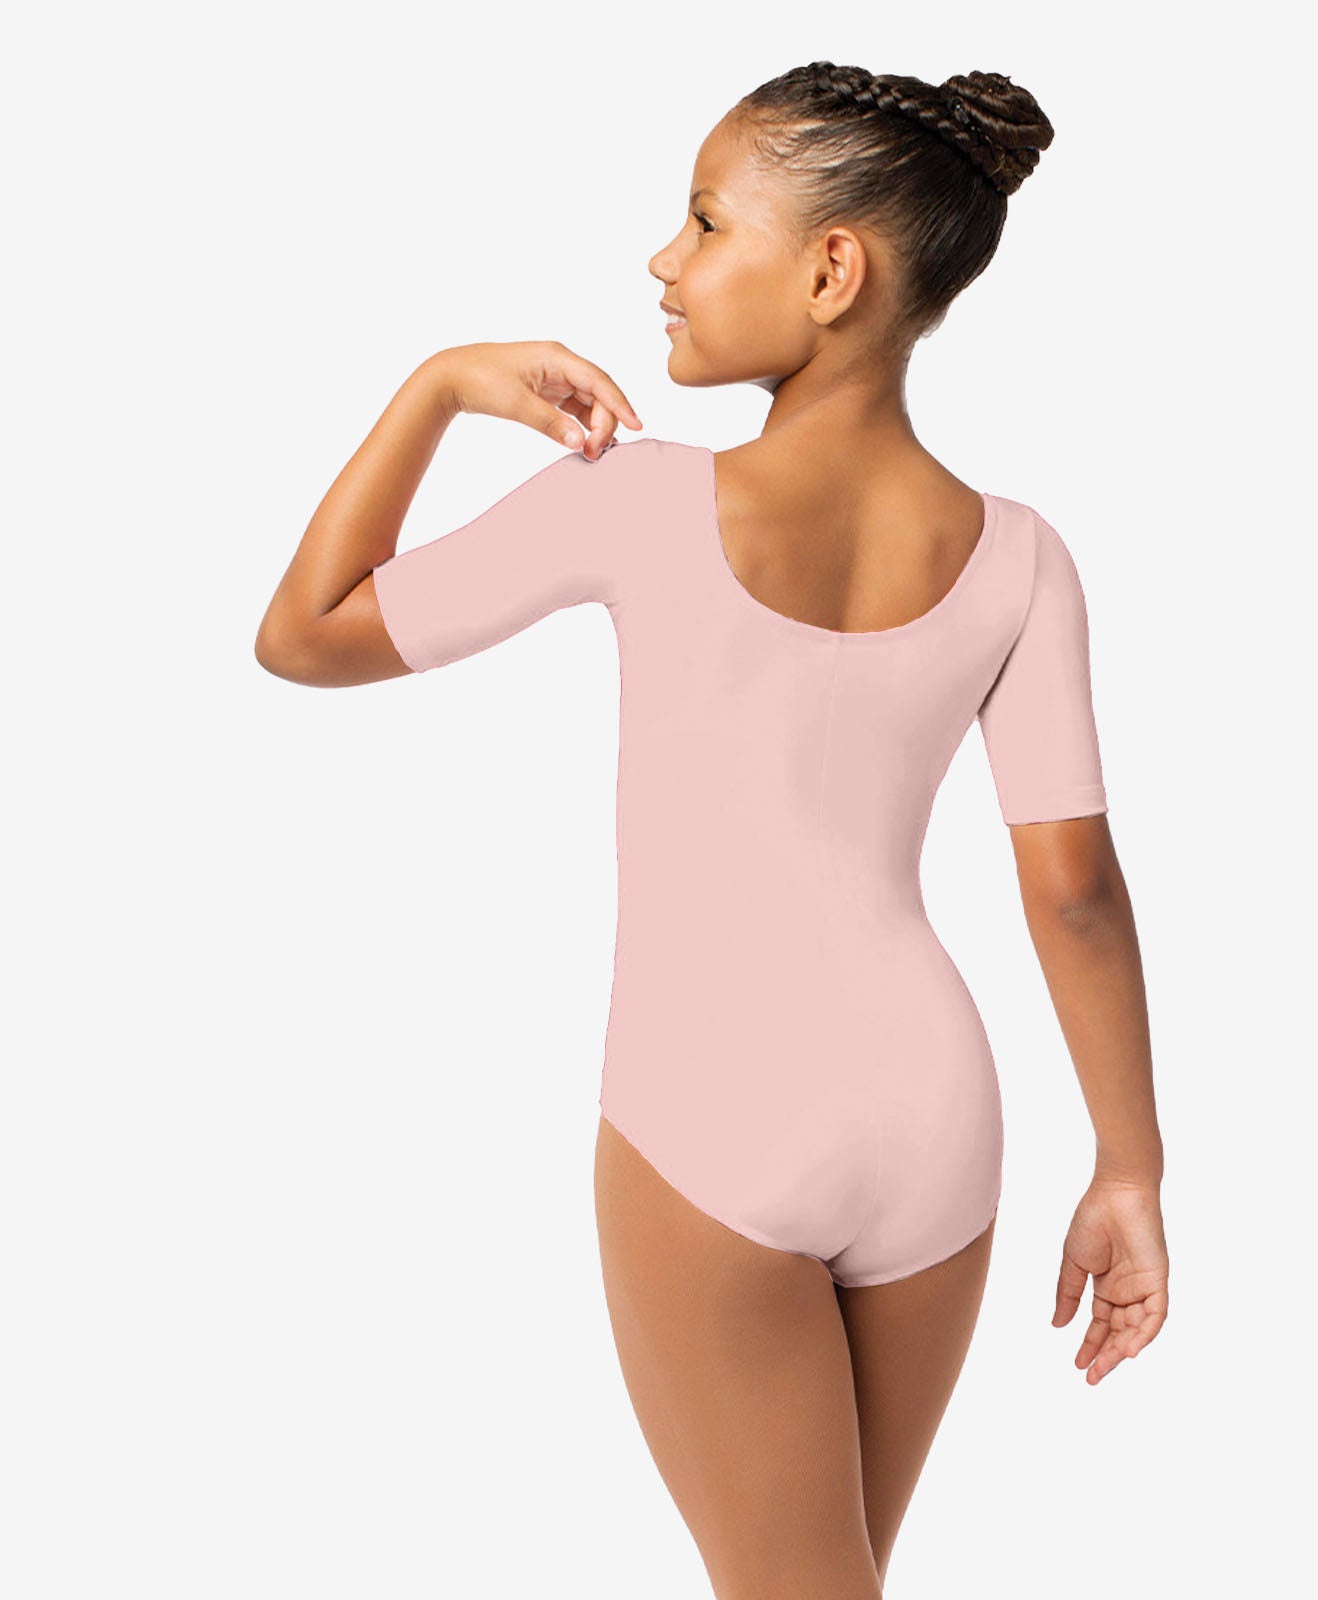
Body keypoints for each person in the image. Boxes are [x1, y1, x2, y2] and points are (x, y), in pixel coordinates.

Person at [256, 60, 1167, 1600]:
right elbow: (1072, 887)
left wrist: (438, 387)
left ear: (831, 272)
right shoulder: (1023, 558)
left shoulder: (632, 502)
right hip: (937, 1122)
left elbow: (306, 634)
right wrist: (1128, 1166)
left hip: (714, 1112)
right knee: (833, 1577)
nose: (662, 261)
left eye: (703, 221)